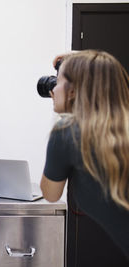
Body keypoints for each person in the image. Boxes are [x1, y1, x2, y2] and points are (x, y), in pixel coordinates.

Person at [40, 50, 129, 266]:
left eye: (58, 82)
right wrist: (86, 60)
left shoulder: (68, 131)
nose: (53, 89)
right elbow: (111, 76)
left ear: (73, 91)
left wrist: (63, 114)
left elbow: (50, 194)